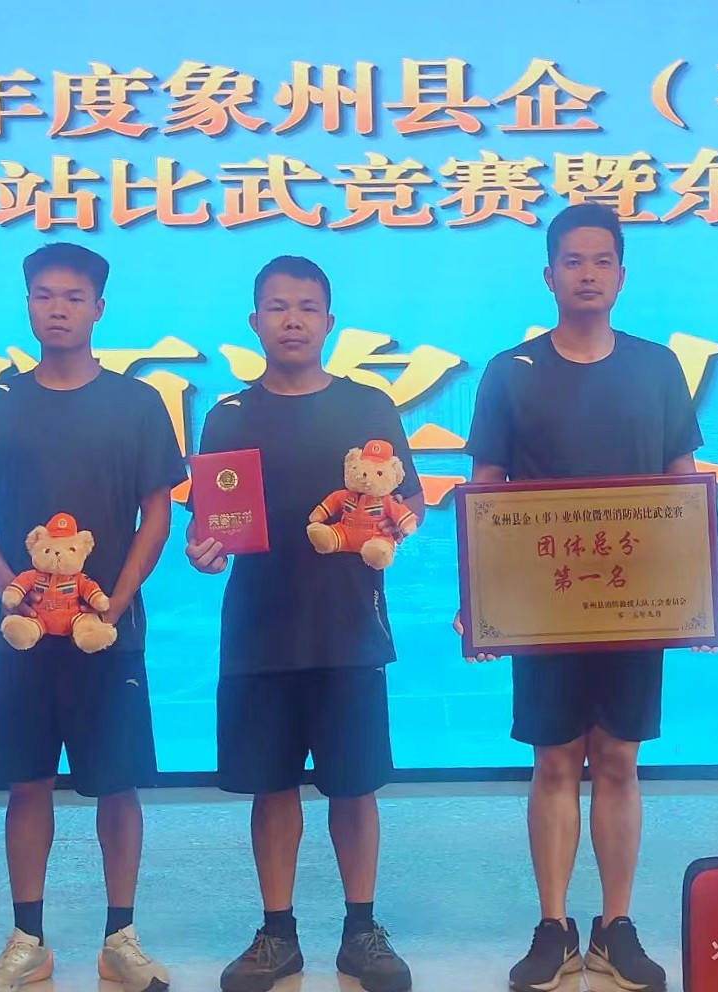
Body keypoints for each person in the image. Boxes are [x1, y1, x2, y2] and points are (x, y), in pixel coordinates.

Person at [465, 203, 705, 992]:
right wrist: (480, 595)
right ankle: (552, 926)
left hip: (635, 603)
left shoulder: (656, 368)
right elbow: (487, 489)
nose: (588, 274)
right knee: (554, 760)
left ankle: (615, 925)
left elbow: (681, 484)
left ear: (622, 275)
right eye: (573, 261)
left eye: (602, 260)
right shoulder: (510, 370)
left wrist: (699, 591)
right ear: (548, 275)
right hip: (545, 604)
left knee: (620, 759)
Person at [186, 256, 420, 992]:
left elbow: (405, 502)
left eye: (307, 307)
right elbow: (208, 521)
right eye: (278, 307)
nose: (293, 320)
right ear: (254, 321)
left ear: (328, 322)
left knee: (355, 787)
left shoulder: (368, 405)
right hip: (259, 626)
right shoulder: (228, 414)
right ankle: (276, 933)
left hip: (349, 624)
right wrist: (202, 551)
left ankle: (362, 931)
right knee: (271, 786)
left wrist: (393, 529)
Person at [0, 242, 184, 992]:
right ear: (27, 304)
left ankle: (121, 939)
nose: (57, 309)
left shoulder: (137, 403)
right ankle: (27, 940)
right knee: (26, 782)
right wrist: (8, 589)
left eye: (73, 297)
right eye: (43, 295)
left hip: (105, 631)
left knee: (118, 784)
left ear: (98, 309)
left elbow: (158, 512)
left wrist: (116, 598)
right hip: (18, 632)